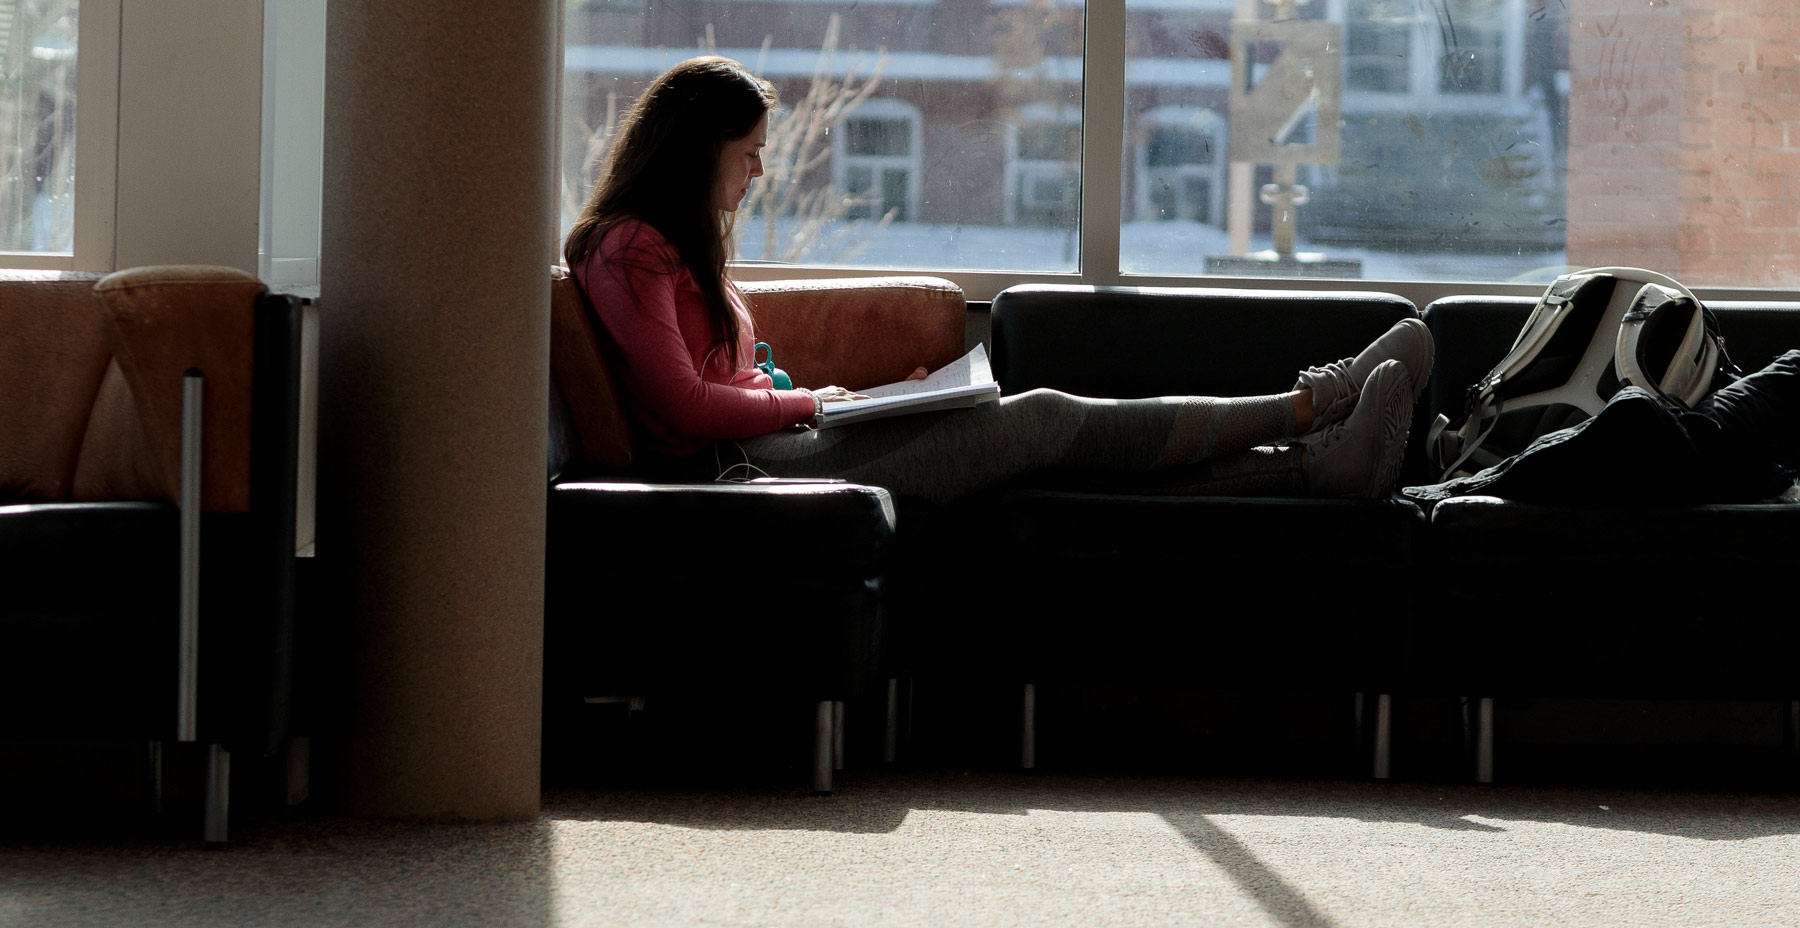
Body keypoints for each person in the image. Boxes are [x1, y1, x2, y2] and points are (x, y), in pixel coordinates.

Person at [563, 56, 1436, 505]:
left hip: (774, 444)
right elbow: (683, 406)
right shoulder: (628, 247)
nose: (758, 173)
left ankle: (1312, 469)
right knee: (1044, 418)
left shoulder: (666, 248)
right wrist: (813, 403)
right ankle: (1306, 413)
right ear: (694, 148)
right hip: (746, 469)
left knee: (1031, 442)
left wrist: (835, 396)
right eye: (748, 155)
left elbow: (719, 380)